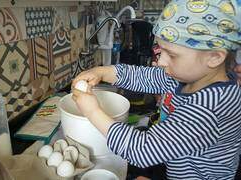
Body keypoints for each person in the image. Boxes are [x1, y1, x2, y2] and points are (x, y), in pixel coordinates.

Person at [71, 0, 241, 179]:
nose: (161, 62)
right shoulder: (186, 78)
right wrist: (102, 72)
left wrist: (92, 111)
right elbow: (145, 77)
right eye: (161, 51)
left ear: (214, 57)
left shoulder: (210, 107)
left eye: (172, 55)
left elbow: (143, 150)